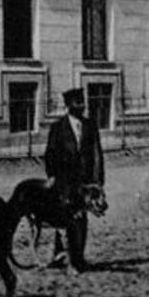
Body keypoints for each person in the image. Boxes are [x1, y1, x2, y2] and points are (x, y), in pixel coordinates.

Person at [44, 87, 104, 272]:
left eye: (83, 102)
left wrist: (98, 180)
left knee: (81, 218)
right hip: (64, 181)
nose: (82, 106)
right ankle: (63, 255)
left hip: (84, 181)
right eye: (78, 103)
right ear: (69, 105)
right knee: (66, 217)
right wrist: (52, 176)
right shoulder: (58, 127)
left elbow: (97, 153)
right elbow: (50, 154)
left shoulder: (90, 125)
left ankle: (78, 258)